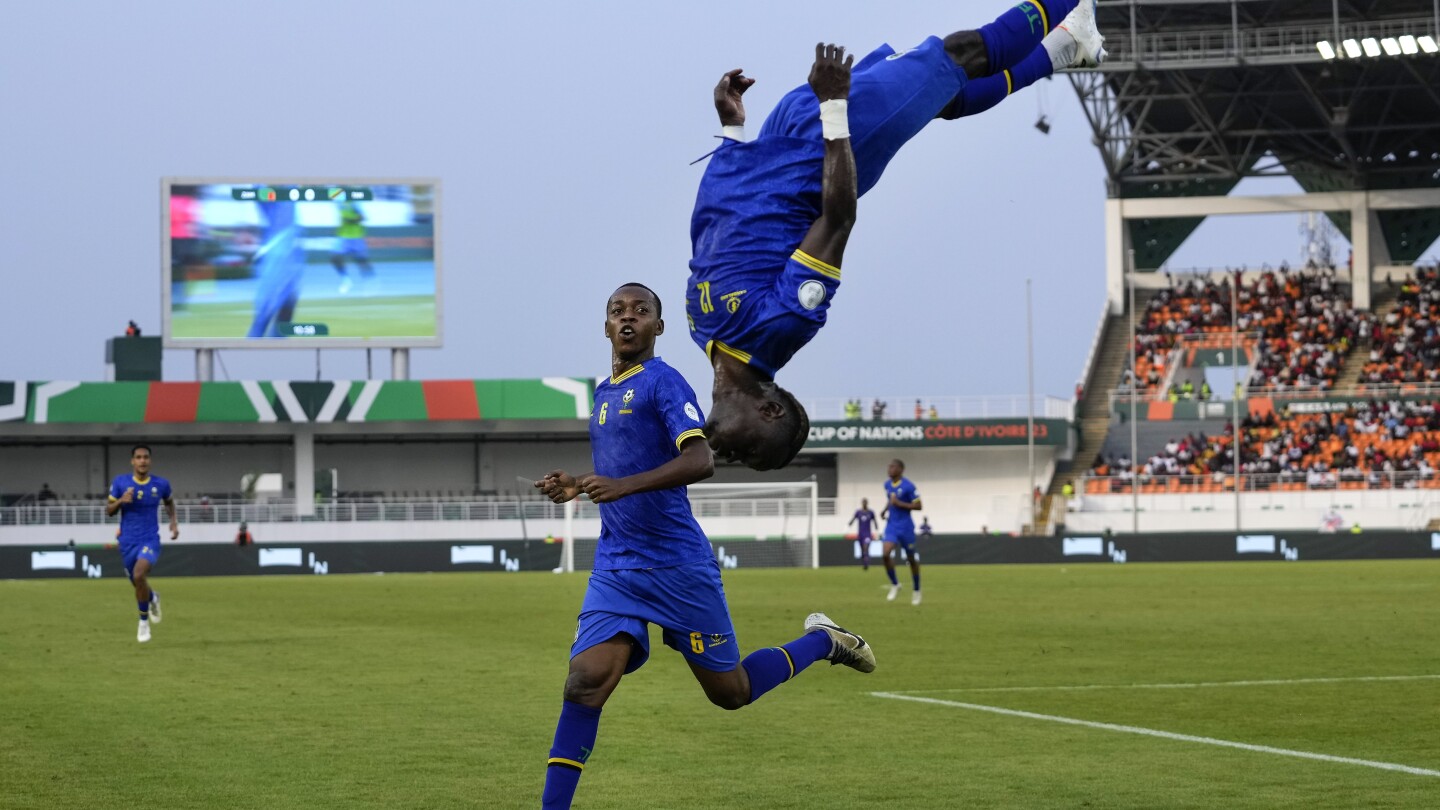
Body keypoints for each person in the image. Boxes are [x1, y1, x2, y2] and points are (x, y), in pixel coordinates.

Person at [688, 3, 1106, 470]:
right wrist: (834, 106)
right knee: (957, 55)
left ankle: (1064, 49)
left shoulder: (700, 332)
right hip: (818, 156)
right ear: (769, 410)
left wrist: (732, 129)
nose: (728, 455)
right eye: (749, 451)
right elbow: (837, 218)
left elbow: (719, 224)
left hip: (773, 137)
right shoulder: (781, 328)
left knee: (936, 95)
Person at [536, 283, 875, 809]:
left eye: (640, 311)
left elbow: (700, 461)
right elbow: (623, 466)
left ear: (658, 327)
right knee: (584, 683)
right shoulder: (602, 394)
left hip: (677, 567)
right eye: (617, 312)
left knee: (731, 693)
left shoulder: (665, 383)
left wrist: (619, 487)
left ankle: (826, 641)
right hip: (618, 566)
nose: (628, 318)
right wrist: (580, 482)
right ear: (605, 327)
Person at [105, 445, 178, 643]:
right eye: (138, 457)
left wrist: (173, 522)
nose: (142, 461)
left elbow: (169, 502)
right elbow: (108, 510)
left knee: (139, 574)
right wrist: (121, 501)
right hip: (127, 542)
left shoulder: (161, 484)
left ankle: (143, 624)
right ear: (133, 461)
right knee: (137, 582)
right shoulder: (121, 483)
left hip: (150, 540)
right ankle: (153, 598)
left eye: (146, 457)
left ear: (150, 460)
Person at [880, 458, 924, 605]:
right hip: (892, 525)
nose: (889, 469)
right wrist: (885, 509)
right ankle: (895, 584)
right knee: (885, 553)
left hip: (906, 527)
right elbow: (890, 499)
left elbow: (919, 506)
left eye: (892, 467)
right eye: (889, 466)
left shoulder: (909, 486)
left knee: (911, 559)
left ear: (900, 469)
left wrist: (900, 504)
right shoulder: (887, 484)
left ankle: (917, 590)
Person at [331, 199, 375, 294]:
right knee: (335, 257)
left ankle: (370, 281)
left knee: (361, 261)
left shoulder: (354, 202)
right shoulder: (338, 199)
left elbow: (363, 217)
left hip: (356, 236)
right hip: (343, 236)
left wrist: (350, 220)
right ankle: (346, 280)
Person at [848, 497, 879, 570]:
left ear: (867, 503)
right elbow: (852, 520)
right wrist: (847, 526)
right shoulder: (858, 512)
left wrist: (877, 532)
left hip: (867, 534)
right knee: (862, 551)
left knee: (866, 549)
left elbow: (875, 522)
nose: (864, 504)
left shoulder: (871, 512)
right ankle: (864, 563)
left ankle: (866, 564)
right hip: (860, 534)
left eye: (865, 502)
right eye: (863, 502)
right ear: (862, 503)